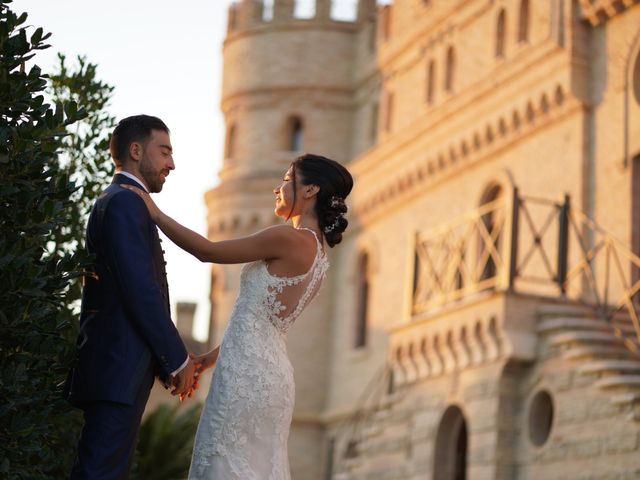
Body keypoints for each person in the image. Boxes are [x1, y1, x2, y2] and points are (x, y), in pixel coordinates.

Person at [123, 153, 353, 479]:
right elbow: (262, 323)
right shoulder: (321, 259)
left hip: (246, 377)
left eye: (287, 181)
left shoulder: (288, 237)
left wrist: (155, 213)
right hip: (272, 377)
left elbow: (209, 251)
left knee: (223, 464)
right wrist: (207, 359)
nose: (278, 188)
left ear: (310, 190)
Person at [66, 115, 197, 479]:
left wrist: (172, 361)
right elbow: (139, 290)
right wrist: (178, 360)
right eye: (165, 151)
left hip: (118, 371)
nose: (172, 163)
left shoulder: (124, 201)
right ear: (137, 150)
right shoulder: (124, 202)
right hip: (116, 371)